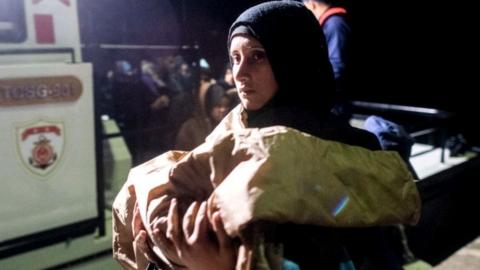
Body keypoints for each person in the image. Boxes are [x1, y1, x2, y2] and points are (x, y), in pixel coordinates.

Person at [112, 2, 420, 270]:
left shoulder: (349, 148)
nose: (239, 73)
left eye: (257, 56)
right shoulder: (230, 134)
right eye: (235, 57)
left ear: (294, 59)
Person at [174, 81, 231, 151]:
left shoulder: (229, 125)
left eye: (226, 106)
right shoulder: (190, 128)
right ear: (208, 106)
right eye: (218, 106)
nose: (223, 110)